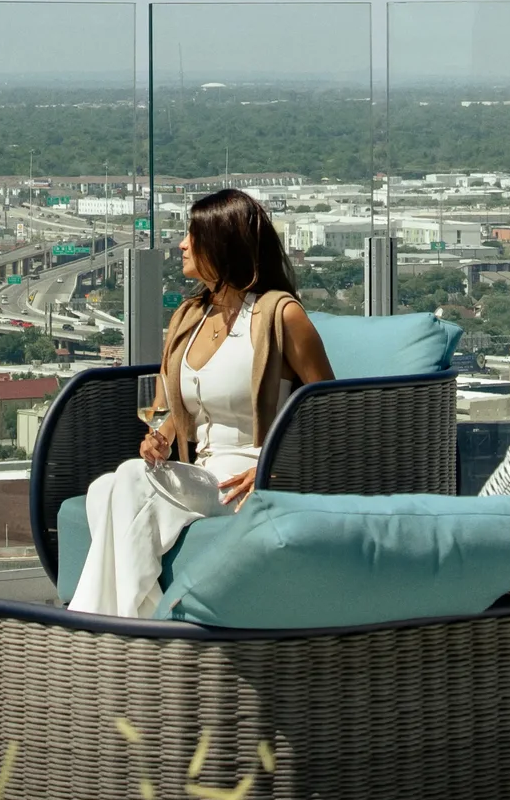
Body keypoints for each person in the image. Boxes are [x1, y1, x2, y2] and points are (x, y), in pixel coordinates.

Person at [68, 186, 334, 617]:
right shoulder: (189, 318)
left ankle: (97, 625)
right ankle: (143, 619)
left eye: (193, 236)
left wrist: (275, 469)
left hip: (246, 481)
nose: (182, 245)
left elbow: (332, 410)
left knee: (130, 480)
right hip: (203, 473)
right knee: (104, 489)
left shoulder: (280, 315)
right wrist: (158, 439)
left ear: (222, 245)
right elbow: (171, 413)